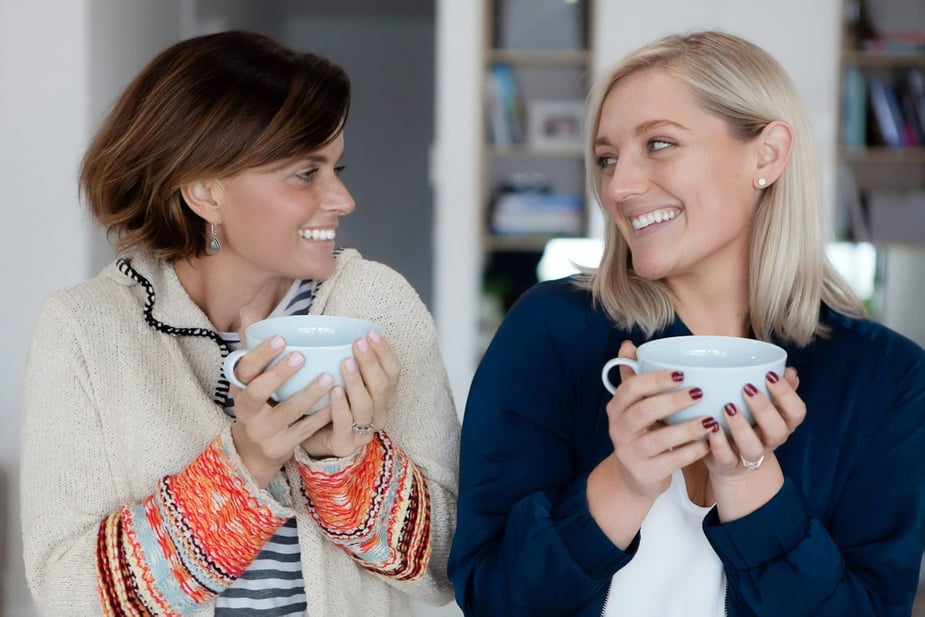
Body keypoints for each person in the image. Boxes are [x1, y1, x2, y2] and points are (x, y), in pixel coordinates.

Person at [448, 30, 925, 616]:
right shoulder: (548, 333)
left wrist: (751, 485)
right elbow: (492, 600)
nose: (619, 186)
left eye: (660, 144)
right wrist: (624, 483)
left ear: (767, 155)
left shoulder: (887, 378)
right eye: (606, 158)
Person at [21, 30, 460, 616]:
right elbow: (65, 596)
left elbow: (447, 567)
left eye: (336, 167)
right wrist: (243, 464)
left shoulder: (378, 307)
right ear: (204, 190)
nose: (343, 198)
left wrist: (345, 465)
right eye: (306, 173)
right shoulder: (85, 330)